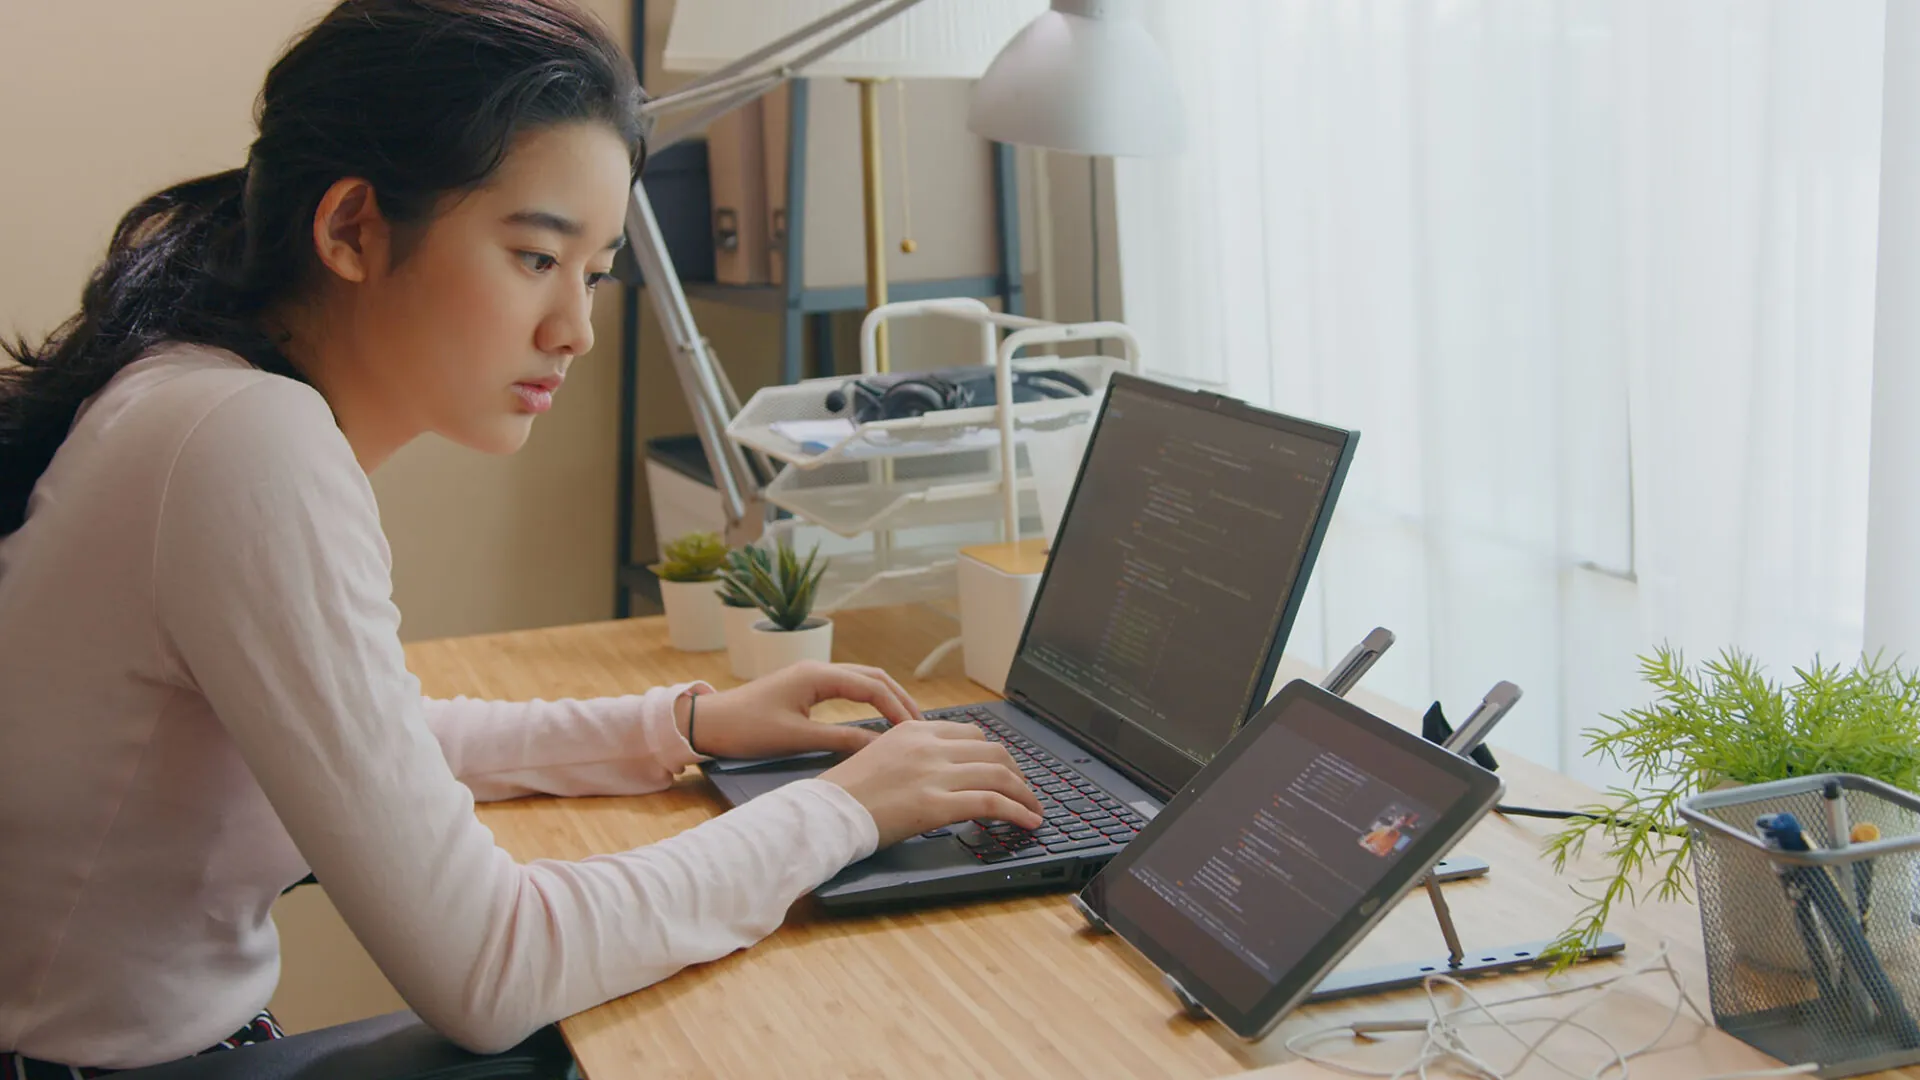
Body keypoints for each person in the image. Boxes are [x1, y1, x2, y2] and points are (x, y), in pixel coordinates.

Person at [0, 1, 1043, 1073]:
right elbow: (490, 971)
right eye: (536, 258)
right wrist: (841, 813)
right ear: (351, 227)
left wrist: (683, 723)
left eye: (592, 274)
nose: (577, 331)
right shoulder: (242, 442)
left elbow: (381, 744)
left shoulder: (196, 394)